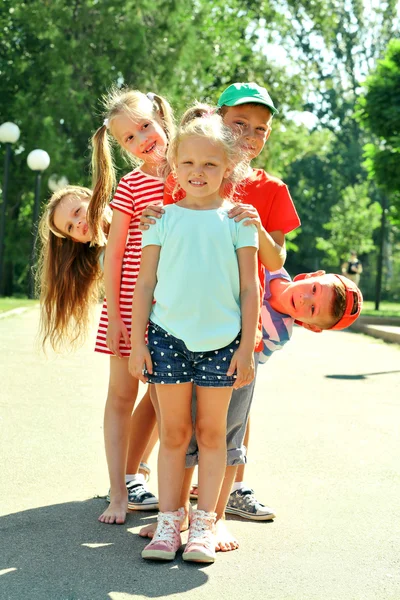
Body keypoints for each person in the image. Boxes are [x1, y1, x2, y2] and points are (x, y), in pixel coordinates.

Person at [137, 82, 301, 543]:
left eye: (261, 128)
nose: (250, 133)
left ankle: (215, 517)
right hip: (174, 327)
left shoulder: (264, 194)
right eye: (240, 123)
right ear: (220, 121)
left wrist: (253, 222)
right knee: (177, 428)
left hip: (235, 330)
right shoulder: (183, 179)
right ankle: (172, 516)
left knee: (223, 429)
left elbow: (273, 264)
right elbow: (160, 254)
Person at [129, 107, 260, 564]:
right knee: (173, 432)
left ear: (228, 167)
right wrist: (138, 341)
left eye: (209, 164)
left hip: (223, 344)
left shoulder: (240, 220)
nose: (197, 172)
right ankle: (168, 525)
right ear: (173, 166)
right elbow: (145, 284)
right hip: (166, 338)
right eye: (187, 163)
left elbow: (250, 287)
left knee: (211, 433)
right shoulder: (160, 219)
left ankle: (203, 525)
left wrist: (247, 346)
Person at [37, 183, 161, 516]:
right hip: (122, 316)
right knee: (122, 397)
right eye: (70, 228)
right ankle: (122, 488)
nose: (79, 224)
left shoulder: (137, 208)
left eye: (78, 211)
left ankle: (136, 471)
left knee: (163, 398)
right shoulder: (105, 250)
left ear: (96, 198)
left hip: (168, 316)